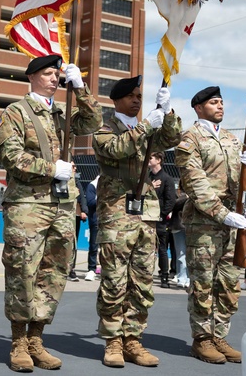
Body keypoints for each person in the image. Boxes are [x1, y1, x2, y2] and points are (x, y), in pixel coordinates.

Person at [0, 53, 102, 372]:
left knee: (54, 271)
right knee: (22, 270)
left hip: (62, 205)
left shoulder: (62, 113)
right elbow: (9, 154)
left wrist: (80, 87)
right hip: (28, 204)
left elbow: (94, 122)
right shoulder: (17, 111)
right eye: (47, 73)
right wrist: (49, 168)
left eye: (57, 74)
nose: (54, 78)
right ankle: (18, 342)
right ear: (31, 77)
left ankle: (36, 339)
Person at [92, 76, 180, 367]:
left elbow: (172, 139)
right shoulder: (105, 130)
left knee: (142, 282)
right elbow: (116, 150)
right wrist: (145, 127)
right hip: (117, 214)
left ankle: (133, 340)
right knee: (114, 281)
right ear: (116, 100)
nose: (137, 100)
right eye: (131, 96)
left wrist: (167, 112)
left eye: (140, 96)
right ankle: (113, 342)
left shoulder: (149, 129)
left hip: (145, 215)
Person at [175, 86, 246, 365]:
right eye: (213, 102)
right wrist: (223, 214)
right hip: (204, 222)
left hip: (232, 222)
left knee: (229, 283)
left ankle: (219, 335)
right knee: (204, 283)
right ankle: (202, 339)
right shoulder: (190, 139)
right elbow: (195, 184)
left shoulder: (232, 139)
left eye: (221, 101)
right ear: (199, 108)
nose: (220, 105)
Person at [148, 150, 177, 289]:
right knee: (145, 248)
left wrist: (161, 215)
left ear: (159, 160)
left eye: (151, 157)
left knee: (162, 248)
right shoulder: (147, 178)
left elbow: (171, 200)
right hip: (145, 218)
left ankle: (164, 276)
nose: (148, 160)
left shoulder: (166, 179)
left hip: (159, 219)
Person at [69, 168, 90, 282]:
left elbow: (82, 196)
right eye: (72, 166)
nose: (75, 168)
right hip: (61, 214)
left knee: (74, 243)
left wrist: (83, 210)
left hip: (74, 215)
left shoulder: (76, 181)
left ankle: (71, 269)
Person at [170, 189, 190, 288]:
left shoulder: (198, 193)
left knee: (190, 254)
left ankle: (189, 279)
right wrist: (186, 198)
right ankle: (181, 278)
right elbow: (173, 205)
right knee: (180, 254)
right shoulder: (177, 193)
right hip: (178, 226)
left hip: (191, 227)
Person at [83, 176, 99, 281]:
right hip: (96, 220)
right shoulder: (93, 185)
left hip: (111, 220)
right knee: (93, 246)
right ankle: (91, 269)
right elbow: (90, 202)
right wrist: (103, 198)